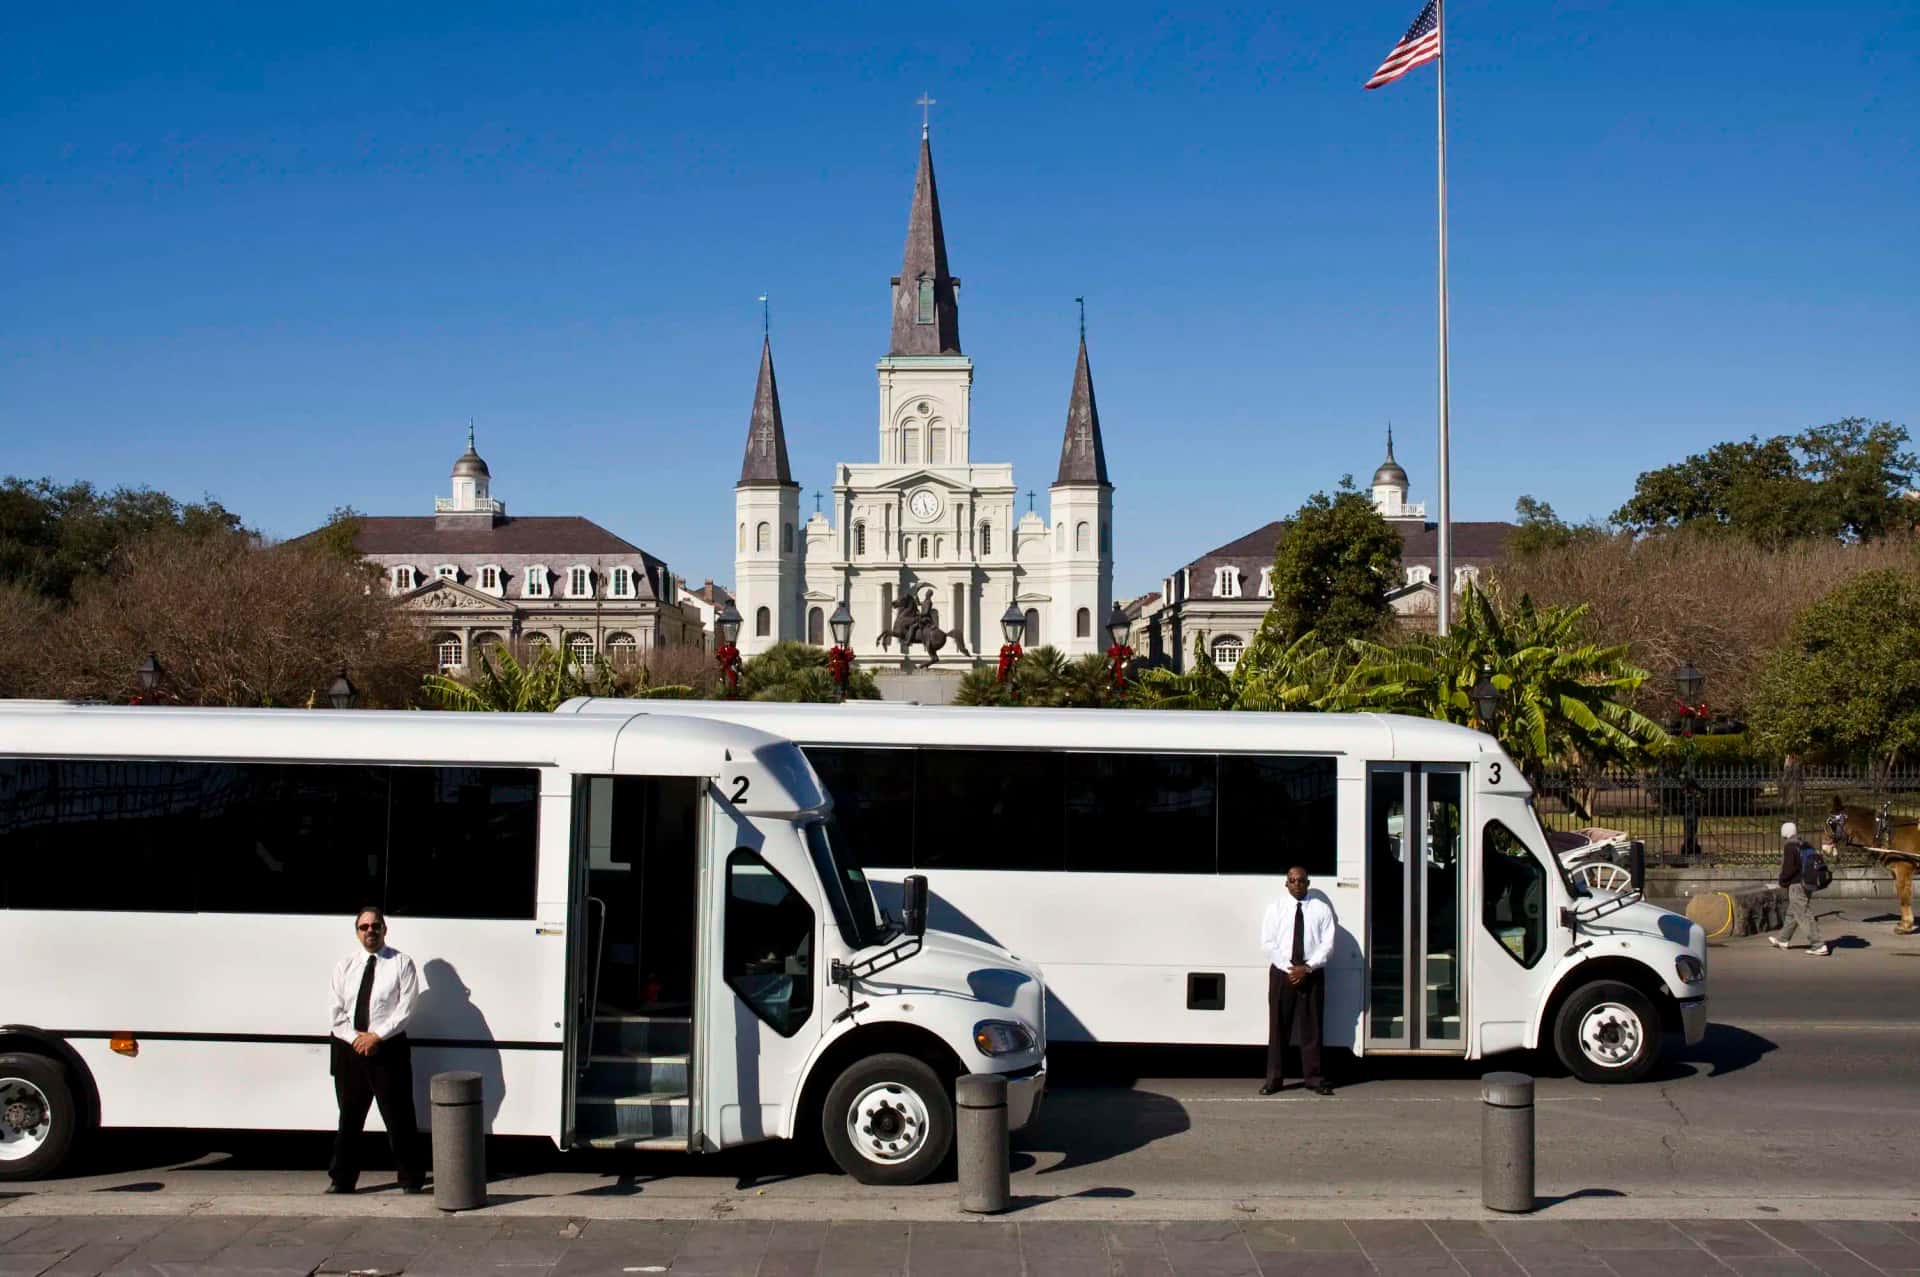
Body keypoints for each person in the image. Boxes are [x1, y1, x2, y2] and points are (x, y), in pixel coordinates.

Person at [327, 906, 427, 1193]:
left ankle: (411, 1179)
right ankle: (342, 1180)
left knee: (399, 1118)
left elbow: (405, 1008)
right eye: (364, 927)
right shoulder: (344, 966)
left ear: (385, 930)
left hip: (388, 1049)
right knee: (349, 1118)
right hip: (349, 1050)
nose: (370, 931)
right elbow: (336, 1012)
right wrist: (357, 1039)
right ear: (357, 932)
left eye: (375, 926)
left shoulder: (401, 963)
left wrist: (376, 1037)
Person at [1258, 866, 1336, 1096]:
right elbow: (1267, 943)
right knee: (1278, 1028)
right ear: (1286, 884)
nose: (1297, 884)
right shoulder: (1276, 908)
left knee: (1311, 1029)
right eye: (1292, 880)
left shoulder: (1321, 909)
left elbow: (1328, 944)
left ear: (1308, 883)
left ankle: (1313, 1078)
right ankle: (1274, 1079)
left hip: (1311, 973)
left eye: (1301, 880)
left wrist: (1307, 967)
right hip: (1283, 974)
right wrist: (1290, 968)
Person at [1768, 822, 1830, 957]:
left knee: (1803, 914)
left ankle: (1818, 944)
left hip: (1797, 885)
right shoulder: (1804, 844)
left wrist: (1783, 881)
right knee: (1793, 913)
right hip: (1808, 883)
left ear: (1785, 832)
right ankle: (1782, 939)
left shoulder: (1790, 846)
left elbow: (1789, 868)